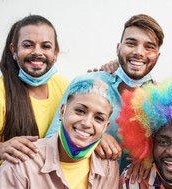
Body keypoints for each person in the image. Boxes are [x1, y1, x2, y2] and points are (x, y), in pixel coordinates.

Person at [0, 74, 119, 189]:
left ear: (105, 127)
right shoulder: (22, 162)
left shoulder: (109, 168)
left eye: (98, 118)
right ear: (62, 112)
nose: (87, 123)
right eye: (80, 111)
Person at [45, 14, 164, 173]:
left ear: (157, 56)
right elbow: (50, 140)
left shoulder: (163, 101)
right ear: (118, 48)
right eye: (131, 43)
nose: (139, 52)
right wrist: (93, 137)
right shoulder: (85, 84)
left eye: (149, 47)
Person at [0, 15, 69, 165]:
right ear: (13, 50)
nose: (37, 52)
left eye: (46, 46)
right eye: (28, 45)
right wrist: (0, 148)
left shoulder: (64, 87)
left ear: (55, 53)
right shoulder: (1, 92)